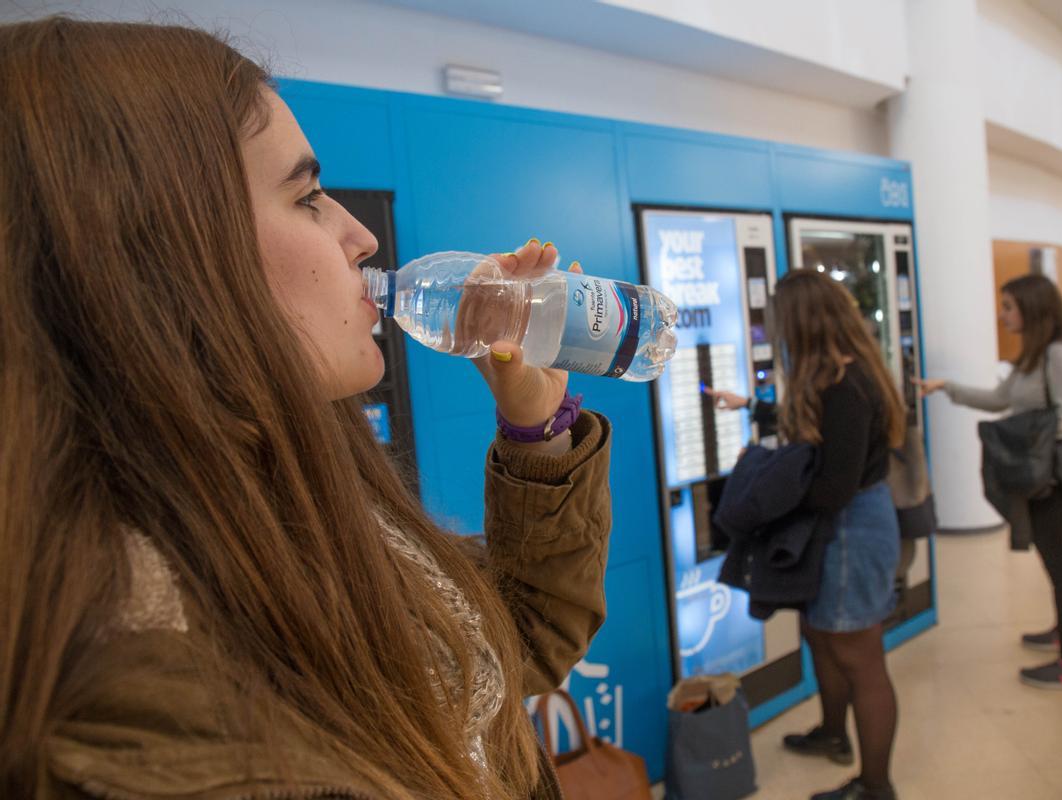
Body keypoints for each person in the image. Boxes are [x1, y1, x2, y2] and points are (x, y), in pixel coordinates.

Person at [1, 17, 612, 799]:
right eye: (309, 196)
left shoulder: (290, 473)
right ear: (154, 253)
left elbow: (512, 647)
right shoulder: (131, 684)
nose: (358, 236)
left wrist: (536, 428)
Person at [709, 270, 906, 800]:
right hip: (846, 527)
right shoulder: (843, 372)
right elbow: (822, 435)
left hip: (852, 532)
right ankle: (833, 734)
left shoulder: (845, 385)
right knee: (823, 637)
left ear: (802, 320)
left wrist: (769, 494)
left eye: (778, 317)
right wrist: (750, 406)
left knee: (860, 658)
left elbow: (833, 487)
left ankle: (875, 785)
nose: (772, 327)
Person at [915, 274, 1062, 692]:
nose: (1003, 314)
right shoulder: (1031, 358)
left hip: (1055, 481)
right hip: (1038, 480)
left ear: (1032, 309)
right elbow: (1001, 400)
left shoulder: (1060, 355)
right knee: (1055, 564)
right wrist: (948, 389)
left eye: (1009, 306)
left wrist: (1026, 435)